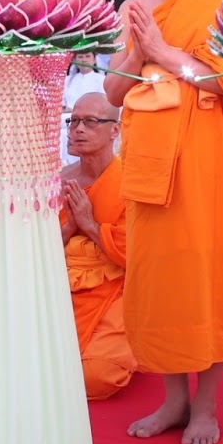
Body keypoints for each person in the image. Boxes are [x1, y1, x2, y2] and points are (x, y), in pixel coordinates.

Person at [102, 0, 223, 444]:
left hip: (204, 160)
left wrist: (164, 53)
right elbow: (112, 92)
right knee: (159, 279)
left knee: (204, 275)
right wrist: (137, 53)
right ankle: (173, 400)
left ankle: (206, 406)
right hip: (148, 158)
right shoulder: (134, 7)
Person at [58, 92, 136, 400]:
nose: (78, 129)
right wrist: (69, 227)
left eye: (90, 122)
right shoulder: (60, 180)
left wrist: (89, 225)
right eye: (74, 121)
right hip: (61, 288)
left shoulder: (130, 182)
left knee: (96, 376)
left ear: (115, 130)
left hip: (114, 288)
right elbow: (36, 251)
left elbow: (135, 254)